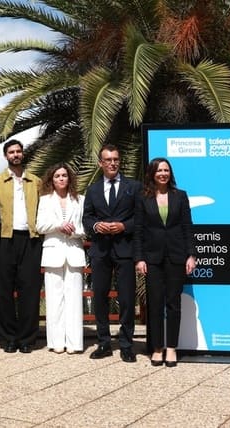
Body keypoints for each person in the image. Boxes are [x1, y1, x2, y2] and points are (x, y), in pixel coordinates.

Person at [83, 143, 143, 363]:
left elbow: (141, 217)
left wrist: (124, 226)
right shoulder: (93, 189)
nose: (112, 163)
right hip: (100, 251)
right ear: (101, 163)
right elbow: (86, 217)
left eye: (116, 159)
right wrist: (96, 225)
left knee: (127, 298)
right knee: (100, 297)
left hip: (125, 250)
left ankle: (126, 345)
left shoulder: (134, 186)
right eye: (108, 160)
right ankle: (104, 343)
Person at [134, 158, 196, 367]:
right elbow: (138, 230)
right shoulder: (142, 198)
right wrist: (139, 258)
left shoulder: (180, 196)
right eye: (159, 170)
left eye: (166, 170)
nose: (163, 174)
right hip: (152, 259)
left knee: (173, 304)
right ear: (152, 174)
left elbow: (187, 227)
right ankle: (157, 348)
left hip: (176, 257)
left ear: (170, 173)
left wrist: (191, 255)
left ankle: (171, 348)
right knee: (155, 305)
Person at [0, 139, 42, 354]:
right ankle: (8, 337)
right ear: (6, 156)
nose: (16, 155)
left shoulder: (35, 181)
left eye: (18, 151)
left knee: (30, 290)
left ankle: (27, 338)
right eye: (11, 152)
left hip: (31, 239)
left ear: (23, 154)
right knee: (3, 291)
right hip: (4, 240)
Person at [35, 163, 86, 354]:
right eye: (57, 176)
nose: (61, 178)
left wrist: (73, 231)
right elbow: (40, 226)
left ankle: (74, 343)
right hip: (53, 252)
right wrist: (58, 225)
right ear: (52, 179)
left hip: (74, 251)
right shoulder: (45, 200)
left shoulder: (80, 199)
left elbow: (85, 227)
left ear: (69, 178)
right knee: (54, 299)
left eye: (64, 175)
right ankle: (56, 341)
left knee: (74, 300)